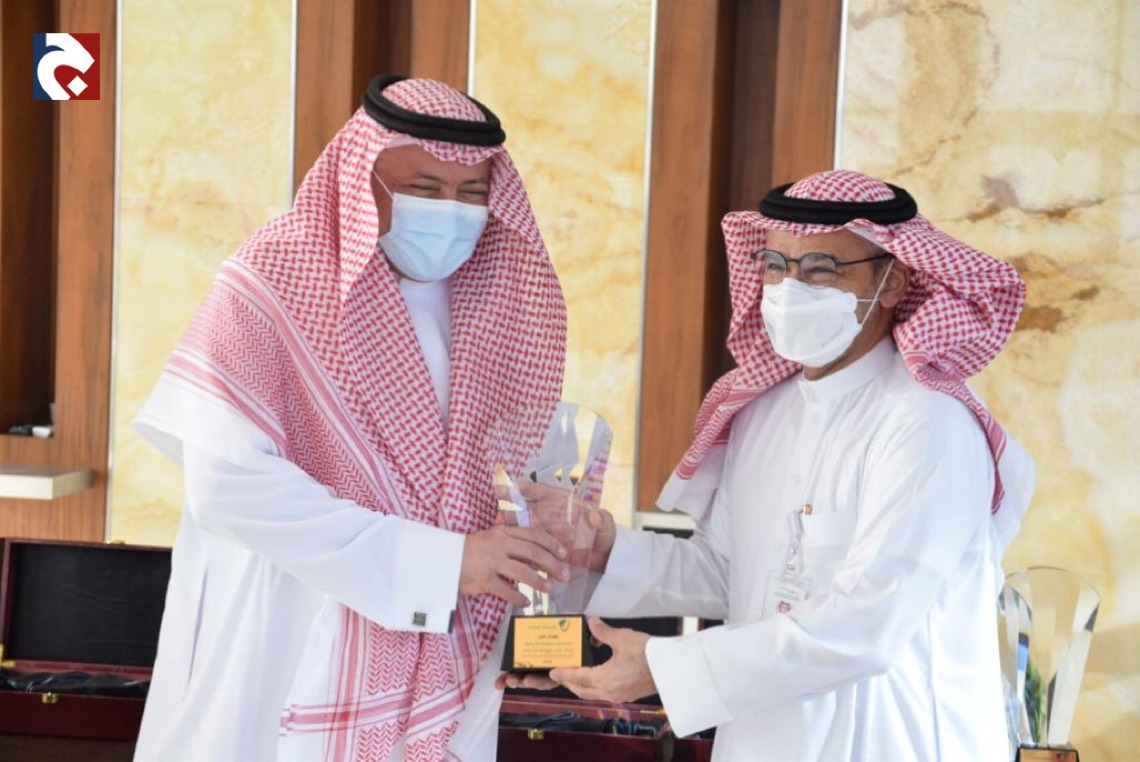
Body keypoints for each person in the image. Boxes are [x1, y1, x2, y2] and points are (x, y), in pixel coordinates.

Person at [510, 170, 1036, 760]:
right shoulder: (764, 412)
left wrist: (663, 668)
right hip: (763, 737)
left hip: (890, 741)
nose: (789, 289)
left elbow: (866, 628)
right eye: (775, 266)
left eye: (820, 270)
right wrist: (605, 547)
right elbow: (730, 573)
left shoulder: (928, 423)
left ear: (892, 281)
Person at [133, 74, 572, 761]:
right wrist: (440, 562)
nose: (452, 212)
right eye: (425, 188)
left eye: (472, 194)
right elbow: (226, 486)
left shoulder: (496, 298)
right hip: (292, 620)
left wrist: (542, 604)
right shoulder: (273, 280)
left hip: (447, 635)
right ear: (362, 179)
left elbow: (516, 486)